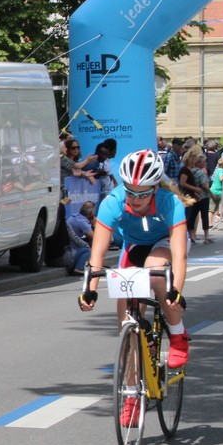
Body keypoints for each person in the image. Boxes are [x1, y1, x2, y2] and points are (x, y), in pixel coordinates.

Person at [78, 149, 190, 426]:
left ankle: (178, 334)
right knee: (126, 319)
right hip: (134, 246)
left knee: (154, 273)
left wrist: (176, 288)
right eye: (131, 192)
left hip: (164, 244)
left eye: (142, 194)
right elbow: (97, 256)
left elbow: (179, 255)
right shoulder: (113, 203)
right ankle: (131, 395)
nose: (135, 199)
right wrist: (89, 288)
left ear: (155, 188)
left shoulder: (169, 202)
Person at [64, 201, 96, 275]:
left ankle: (87, 263)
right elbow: (95, 237)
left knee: (87, 241)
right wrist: (94, 224)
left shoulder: (76, 217)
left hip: (69, 245)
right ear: (90, 213)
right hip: (71, 248)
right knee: (88, 247)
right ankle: (79, 267)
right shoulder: (82, 222)